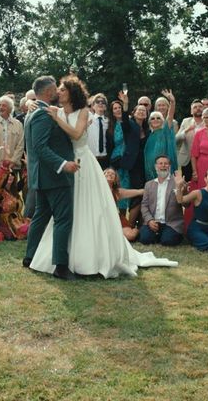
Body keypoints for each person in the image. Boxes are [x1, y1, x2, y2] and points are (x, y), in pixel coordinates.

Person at [30, 76, 177, 278]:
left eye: (62, 89)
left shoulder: (82, 112)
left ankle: (91, 256)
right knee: (67, 211)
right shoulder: (58, 110)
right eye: (58, 89)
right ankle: (63, 257)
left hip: (83, 164)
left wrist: (56, 118)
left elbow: (75, 134)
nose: (59, 92)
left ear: (72, 93)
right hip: (67, 165)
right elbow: (41, 110)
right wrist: (35, 106)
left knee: (89, 209)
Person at [22, 75, 79, 281]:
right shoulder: (43, 113)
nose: (57, 93)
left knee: (41, 217)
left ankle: (30, 257)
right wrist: (63, 165)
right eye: (55, 89)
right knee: (63, 219)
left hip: (42, 177)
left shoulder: (33, 111)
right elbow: (39, 147)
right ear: (47, 92)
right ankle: (60, 267)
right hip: (54, 176)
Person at [139, 155, 184, 246]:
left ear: (169, 167)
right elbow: (144, 205)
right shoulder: (149, 184)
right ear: (156, 167)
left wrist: (180, 187)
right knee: (145, 239)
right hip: (153, 221)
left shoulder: (177, 182)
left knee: (168, 241)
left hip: (171, 223)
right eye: (160, 163)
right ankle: (158, 235)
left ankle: (166, 235)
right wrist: (149, 220)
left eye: (166, 163)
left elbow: (186, 204)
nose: (163, 165)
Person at [144, 90, 177, 181]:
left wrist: (172, 102)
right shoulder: (149, 135)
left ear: (163, 120)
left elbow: (170, 115)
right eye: (152, 118)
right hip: (150, 171)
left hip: (164, 170)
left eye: (158, 118)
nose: (155, 120)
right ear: (149, 121)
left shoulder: (165, 130)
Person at [103, 167, 143, 242]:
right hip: (102, 219)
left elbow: (139, 192)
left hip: (116, 218)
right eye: (107, 173)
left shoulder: (118, 192)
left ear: (115, 180)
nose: (110, 174)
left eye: (112, 174)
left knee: (130, 236)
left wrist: (152, 188)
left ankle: (137, 229)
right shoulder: (95, 189)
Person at [0, 96, 24, 170]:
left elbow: (20, 145)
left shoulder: (18, 124)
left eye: (4, 105)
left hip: (13, 167)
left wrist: (13, 161)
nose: (1, 107)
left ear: (10, 108)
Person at [176, 99, 204, 182]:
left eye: (200, 107)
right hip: (187, 159)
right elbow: (177, 139)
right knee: (186, 184)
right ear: (191, 111)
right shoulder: (186, 121)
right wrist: (186, 130)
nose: (198, 108)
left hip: (202, 158)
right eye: (195, 107)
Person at [87, 93, 110, 169]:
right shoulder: (88, 119)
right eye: (97, 101)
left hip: (106, 158)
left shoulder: (109, 122)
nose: (100, 103)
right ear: (93, 106)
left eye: (103, 102)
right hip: (92, 158)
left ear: (105, 107)